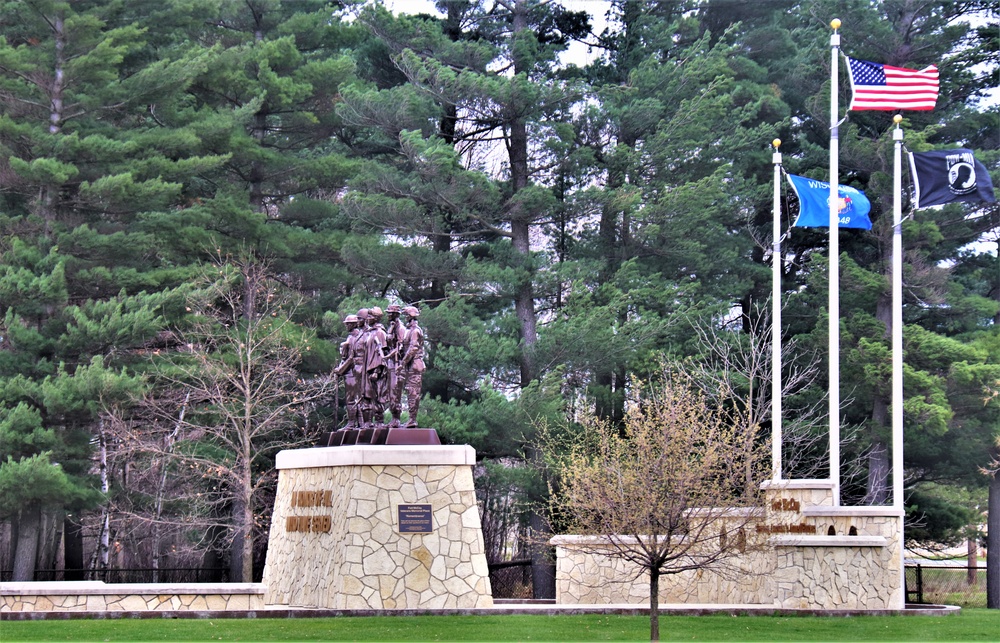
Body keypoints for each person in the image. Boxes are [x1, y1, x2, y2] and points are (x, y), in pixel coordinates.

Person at [360, 306, 388, 427]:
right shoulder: (370, 333)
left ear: (376, 318)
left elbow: (381, 352)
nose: (368, 319)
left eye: (370, 317)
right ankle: (367, 423)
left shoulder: (380, 333)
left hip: (376, 370)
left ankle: (379, 421)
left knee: (378, 395)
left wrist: (377, 370)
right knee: (367, 394)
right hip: (367, 369)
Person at [333, 314, 362, 429]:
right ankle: (360, 423)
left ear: (354, 324)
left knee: (351, 399)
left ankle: (351, 423)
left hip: (352, 372)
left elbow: (350, 358)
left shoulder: (354, 338)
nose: (346, 326)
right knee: (355, 399)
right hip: (352, 371)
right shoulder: (352, 337)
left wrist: (340, 370)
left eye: (348, 324)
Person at [400, 306, 425, 428]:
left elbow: (413, 348)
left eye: (406, 315)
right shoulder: (408, 330)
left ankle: (412, 419)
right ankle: (411, 419)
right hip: (410, 365)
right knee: (410, 391)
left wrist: (403, 362)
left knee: (413, 392)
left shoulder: (415, 330)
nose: (405, 317)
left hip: (415, 364)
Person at [385, 304, 407, 428]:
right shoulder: (392, 327)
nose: (388, 315)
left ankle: (396, 418)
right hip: (391, 363)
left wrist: (388, 356)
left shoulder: (401, 328)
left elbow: (400, 347)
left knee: (395, 390)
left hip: (398, 364)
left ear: (396, 315)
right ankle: (393, 418)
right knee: (390, 391)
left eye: (390, 313)